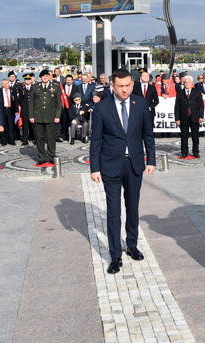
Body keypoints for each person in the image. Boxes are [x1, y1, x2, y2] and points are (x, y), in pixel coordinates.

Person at [90, 69, 156, 275]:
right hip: (110, 165)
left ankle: (132, 245)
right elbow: (96, 140)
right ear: (112, 85)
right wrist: (95, 167)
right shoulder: (102, 107)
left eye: (128, 85)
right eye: (120, 86)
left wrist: (151, 160)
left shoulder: (141, 103)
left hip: (134, 164)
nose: (125, 89)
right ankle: (115, 255)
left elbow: (148, 134)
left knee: (133, 207)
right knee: (113, 212)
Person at [29, 69, 62, 166]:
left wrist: (57, 116)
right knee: (39, 138)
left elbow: (59, 103)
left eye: (47, 76)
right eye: (43, 76)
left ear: (49, 77)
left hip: (50, 116)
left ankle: (51, 156)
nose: (45, 77)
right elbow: (31, 103)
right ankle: (41, 157)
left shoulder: (55, 86)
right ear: (40, 78)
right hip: (38, 116)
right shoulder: (35, 87)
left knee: (51, 138)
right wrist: (31, 116)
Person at [174, 75, 203, 159]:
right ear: (183, 83)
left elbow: (201, 105)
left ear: (191, 83)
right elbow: (177, 107)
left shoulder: (197, 92)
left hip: (195, 117)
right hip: (184, 118)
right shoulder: (180, 93)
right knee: (184, 136)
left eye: (188, 82)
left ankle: (196, 151)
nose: (187, 84)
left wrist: (201, 116)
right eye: (185, 82)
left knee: (195, 136)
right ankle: (184, 152)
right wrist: (177, 118)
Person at [0, 79, 18, 146]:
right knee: (3, 124)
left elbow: (15, 101)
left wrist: (16, 110)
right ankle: (4, 140)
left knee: (11, 125)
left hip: (10, 109)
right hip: (3, 109)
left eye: (8, 83)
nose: (8, 84)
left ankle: (11, 140)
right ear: (2, 84)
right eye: (6, 83)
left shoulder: (12, 90)